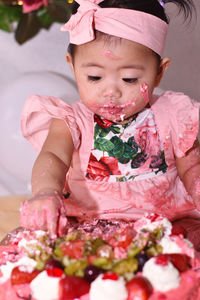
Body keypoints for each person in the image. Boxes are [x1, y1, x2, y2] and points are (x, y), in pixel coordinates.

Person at [20, 0, 200, 248]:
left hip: (165, 223)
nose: (111, 92)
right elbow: (53, 156)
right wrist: (45, 192)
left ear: (159, 73)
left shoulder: (173, 113)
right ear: (72, 68)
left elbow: (191, 167)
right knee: (28, 242)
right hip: (90, 224)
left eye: (129, 79)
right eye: (94, 77)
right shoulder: (72, 119)